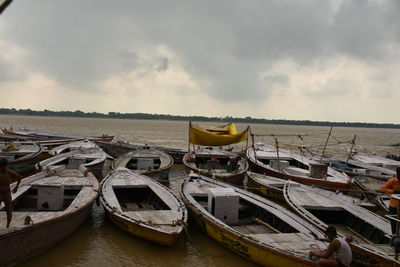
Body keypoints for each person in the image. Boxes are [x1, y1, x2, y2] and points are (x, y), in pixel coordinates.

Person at [0, 158, 22, 228]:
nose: (3, 168)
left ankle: (8, 225)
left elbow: (19, 178)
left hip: (7, 193)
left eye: (5, 166)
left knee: (9, 210)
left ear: (6, 166)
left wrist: (16, 187)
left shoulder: (9, 172)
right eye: (2, 166)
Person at [381, 167, 400, 234]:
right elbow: (383, 188)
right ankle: (394, 237)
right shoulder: (392, 181)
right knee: (393, 223)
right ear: (397, 174)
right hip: (393, 206)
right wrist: (393, 191)